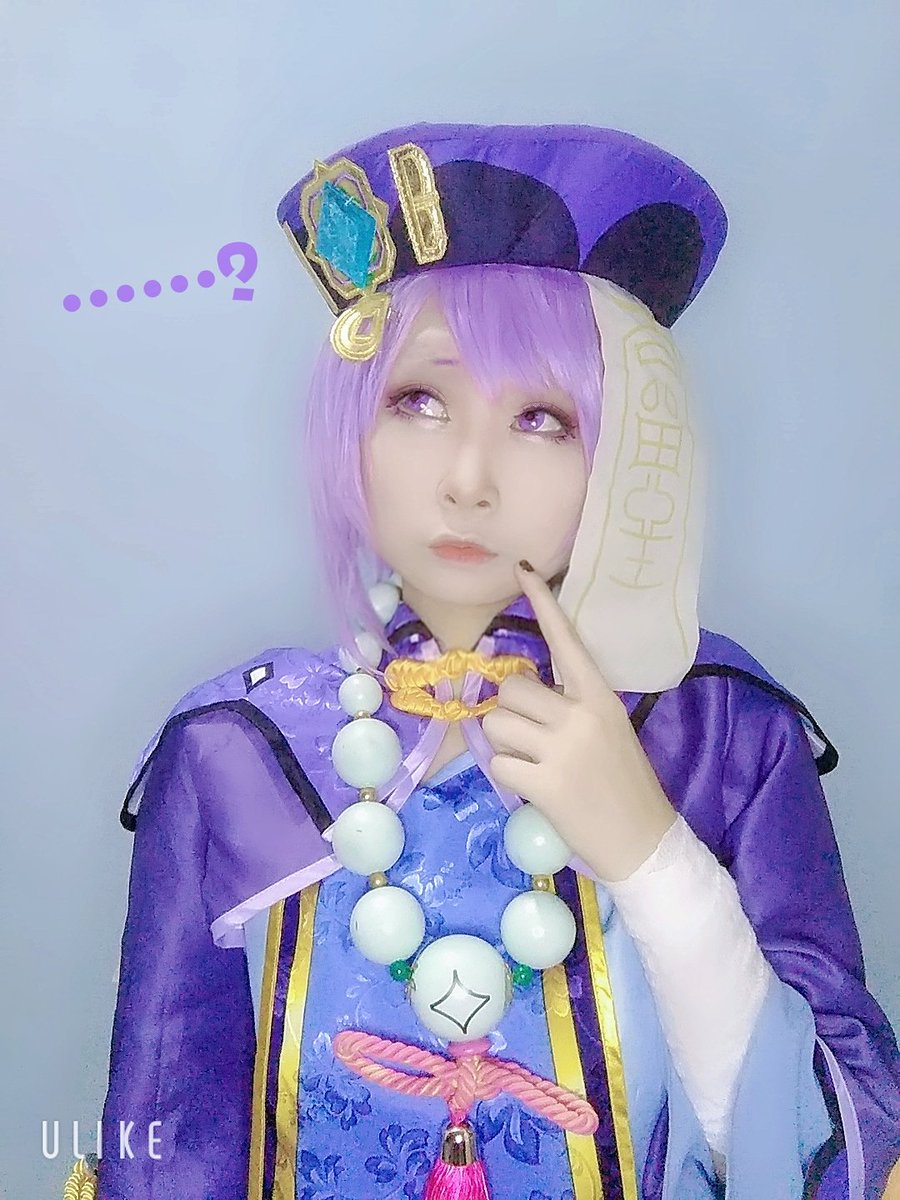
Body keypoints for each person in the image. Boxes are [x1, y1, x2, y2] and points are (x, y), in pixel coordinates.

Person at [92, 124, 900, 1200]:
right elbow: (163, 1146)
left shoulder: (722, 737)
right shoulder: (235, 751)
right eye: (419, 402)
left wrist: (653, 856)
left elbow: (839, 1155)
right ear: (350, 426)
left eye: (542, 419)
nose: (469, 478)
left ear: (626, 446)